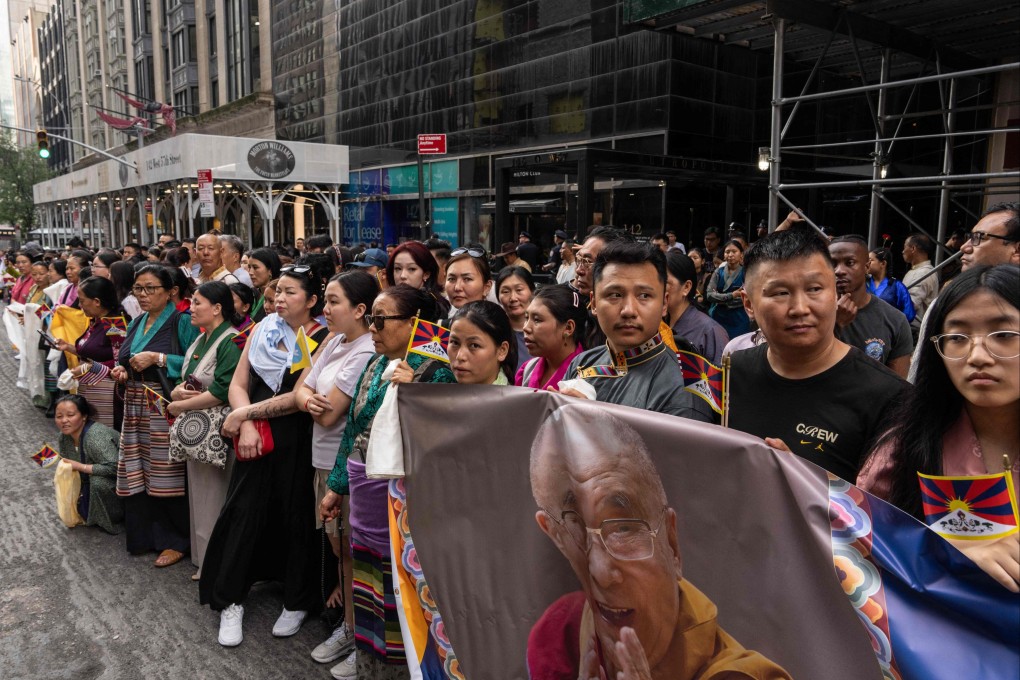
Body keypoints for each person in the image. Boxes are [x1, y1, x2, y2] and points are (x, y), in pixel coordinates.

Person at [527, 404, 791, 679]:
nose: (602, 573)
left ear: (672, 543)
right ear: (554, 535)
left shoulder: (742, 675)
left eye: (624, 528)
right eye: (576, 528)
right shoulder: (559, 637)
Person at [319, 285, 455, 679]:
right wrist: (336, 486)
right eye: (371, 319)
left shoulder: (435, 371)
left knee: (397, 588)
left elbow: (432, 444)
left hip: (402, 503)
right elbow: (352, 430)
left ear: (414, 325)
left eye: (380, 319)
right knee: (368, 585)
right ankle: (368, 659)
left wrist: (412, 393)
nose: (372, 328)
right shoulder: (376, 363)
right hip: (363, 494)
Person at [857, 265, 1019, 593]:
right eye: (957, 337)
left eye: (1003, 336)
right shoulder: (904, 449)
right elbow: (858, 550)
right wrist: (945, 555)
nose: (977, 356)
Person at [200, 264, 330, 647]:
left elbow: (298, 398)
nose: (280, 299)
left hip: (298, 436)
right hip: (254, 434)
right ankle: (231, 600)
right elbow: (240, 384)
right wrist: (247, 423)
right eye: (278, 292)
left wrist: (245, 415)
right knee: (243, 510)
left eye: (291, 293)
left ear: (311, 301)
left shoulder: (322, 337)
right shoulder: (262, 329)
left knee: (296, 514)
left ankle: (297, 599)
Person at [728, 229, 909, 482]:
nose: (800, 308)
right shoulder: (729, 373)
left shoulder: (890, 399)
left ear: (835, 293)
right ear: (748, 304)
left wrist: (808, 482)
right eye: (780, 293)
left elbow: (891, 513)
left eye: (814, 289)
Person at [292, 270, 378, 669]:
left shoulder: (365, 350)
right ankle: (349, 628)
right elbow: (300, 390)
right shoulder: (334, 340)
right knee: (337, 546)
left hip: (346, 469)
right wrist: (309, 398)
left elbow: (330, 416)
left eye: (333, 301)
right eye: (325, 300)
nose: (324, 309)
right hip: (321, 462)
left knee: (351, 550)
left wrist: (310, 401)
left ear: (361, 310)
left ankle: (359, 636)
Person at [109, 265, 200, 565]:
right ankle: (145, 534)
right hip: (135, 403)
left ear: (171, 291)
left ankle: (175, 539)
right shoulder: (137, 322)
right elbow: (126, 357)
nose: (144, 295)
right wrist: (122, 368)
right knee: (138, 468)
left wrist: (158, 358)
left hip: (162, 405)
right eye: (138, 289)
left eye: (151, 289)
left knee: (166, 472)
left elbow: (194, 364)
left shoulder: (181, 320)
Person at [563, 241, 713, 422]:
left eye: (644, 296)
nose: (628, 310)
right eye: (615, 295)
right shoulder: (582, 364)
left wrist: (591, 427)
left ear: (664, 303)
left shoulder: (685, 386)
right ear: (593, 303)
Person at [165, 282, 242, 580]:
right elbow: (189, 379)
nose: (191, 308)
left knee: (215, 494)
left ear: (218, 308)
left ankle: (216, 561)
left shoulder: (230, 341)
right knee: (199, 493)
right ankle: (203, 557)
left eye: (197, 303)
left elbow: (223, 391)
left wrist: (181, 407)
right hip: (197, 428)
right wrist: (177, 394)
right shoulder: (201, 339)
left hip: (216, 430)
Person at [909, 203, 1020, 383]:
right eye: (957, 337)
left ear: (1017, 250)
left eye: (979, 238)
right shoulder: (946, 303)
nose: (964, 247)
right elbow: (921, 374)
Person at [829, 236, 913, 378]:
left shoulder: (895, 320)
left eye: (849, 263)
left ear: (866, 267)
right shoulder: (810, 313)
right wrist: (834, 325)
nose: (839, 271)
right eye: (832, 264)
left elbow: (898, 387)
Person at [56, 277, 128, 430]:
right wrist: (68, 347)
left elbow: (120, 361)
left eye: (82, 301)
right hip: (90, 387)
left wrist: (86, 369)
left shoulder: (114, 324)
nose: (80, 306)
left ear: (96, 301)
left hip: (107, 393)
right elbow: (90, 351)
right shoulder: (95, 320)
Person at [54, 394, 124, 534]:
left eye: (70, 415)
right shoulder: (64, 437)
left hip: (122, 484)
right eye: (59, 416)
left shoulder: (95, 437)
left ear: (84, 416)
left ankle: (113, 518)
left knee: (98, 483)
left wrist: (81, 467)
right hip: (90, 478)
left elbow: (117, 467)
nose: (64, 421)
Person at [517, 285, 586, 390]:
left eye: (537, 320)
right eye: (526, 318)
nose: (525, 328)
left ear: (568, 328)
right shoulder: (527, 370)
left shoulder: (589, 377)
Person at [664, 251, 729, 365]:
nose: (656, 289)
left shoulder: (710, 331)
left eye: (664, 283)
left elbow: (718, 378)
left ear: (686, 287)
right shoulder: (656, 325)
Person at [447, 300, 517, 385]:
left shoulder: (514, 398)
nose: (460, 356)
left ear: (502, 350)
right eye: (455, 343)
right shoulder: (438, 395)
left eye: (474, 345)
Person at [384, 241, 449, 318]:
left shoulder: (435, 309)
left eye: (412, 269)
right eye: (398, 268)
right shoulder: (384, 303)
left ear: (426, 274)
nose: (403, 276)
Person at [705, 239, 750, 340]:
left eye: (734, 251)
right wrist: (732, 295)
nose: (730, 255)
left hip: (739, 318)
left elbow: (748, 296)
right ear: (724, 255)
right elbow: (709, 295)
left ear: (741, 254)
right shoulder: (718, 272)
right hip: (719, 316)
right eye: (727, 252)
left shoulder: (746, 273)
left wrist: (720, 298)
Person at [496, 266, 535, 372]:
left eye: (519, 290)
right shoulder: (494, 331)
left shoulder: (545, 331)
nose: (513, 298)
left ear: (531, 291)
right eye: (505, 291)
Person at [901, 234, 938, 337]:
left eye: (905, 247)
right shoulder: (917, 270)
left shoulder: (923, 273)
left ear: (913, 248)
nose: (903, 251)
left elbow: (911, 305)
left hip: (914, 332)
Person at [866, 248, 915, 322]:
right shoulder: (863, 284)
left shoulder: (897, 286)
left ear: (883, 263)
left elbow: (909, 314)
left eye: (870, 260)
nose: (867, 263)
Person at [444, 246, 493, 320]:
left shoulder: (497, 328)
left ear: (486, 287)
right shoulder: (439, 327)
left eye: (467, 279)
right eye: (451, 279)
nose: (457, 287)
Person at [245, 247, 283, 322]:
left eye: (255, 267)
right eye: (249, 267)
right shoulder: (252, 294)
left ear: (270, 271)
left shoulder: (279, 294)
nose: (250, 272)